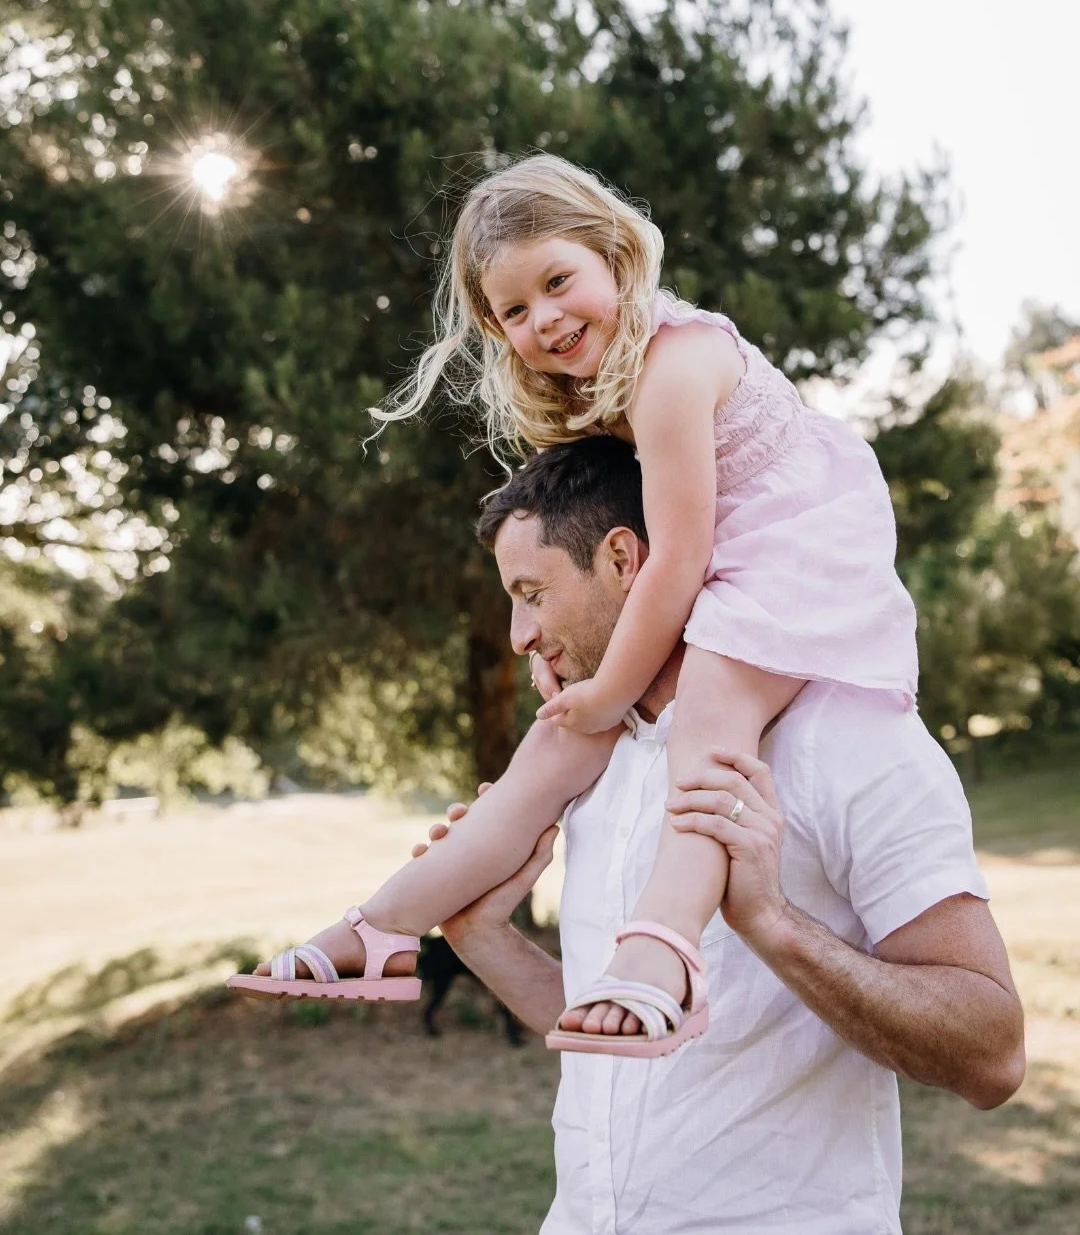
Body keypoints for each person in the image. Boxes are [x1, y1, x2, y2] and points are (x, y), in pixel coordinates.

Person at [229, 154, 918, 1053]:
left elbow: (676, 558)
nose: (546, 319)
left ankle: (662, 956)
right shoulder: (606, 387)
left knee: (705, 723)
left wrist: (606, 691)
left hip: (794, 553)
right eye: (515, 310)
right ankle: (382, 928)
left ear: (615, 257)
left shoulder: (671, 366)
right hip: (715, 559)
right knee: (554, 739)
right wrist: (583, 693)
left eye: (560, 281)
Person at [414, 437, 1025, 1233]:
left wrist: (774, 924)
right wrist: (480, 934)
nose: (518, 635)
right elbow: (625, 1036)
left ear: (622, 559)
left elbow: (994, 1054)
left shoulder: (854, 740)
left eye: (533, 593)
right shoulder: (598, 759)